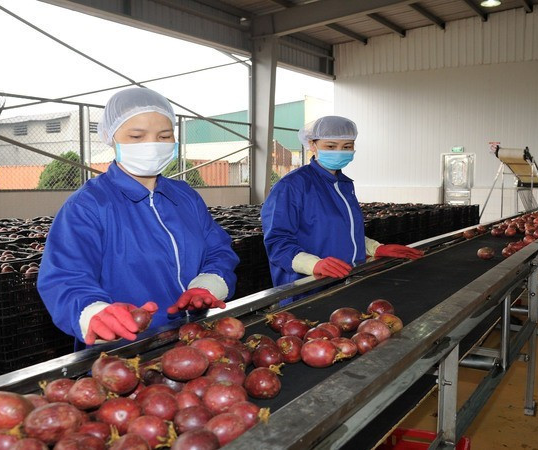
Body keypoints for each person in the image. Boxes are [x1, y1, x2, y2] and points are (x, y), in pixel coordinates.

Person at [38, 88, 239, 347]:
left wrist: (208, 284)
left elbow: (218, 250)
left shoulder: (185, 197)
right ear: (111, 138)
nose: (152, 145)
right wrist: (93, 312)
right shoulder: (89, 206)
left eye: (164, 136)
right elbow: (65, 276)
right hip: (125, 352)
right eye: (136, 136)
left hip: (196, 341)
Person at [261, 116, 423, 298]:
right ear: (312, 145)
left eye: (347, 146)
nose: (340, 151)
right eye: (331, 146)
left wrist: (373, 248)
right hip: (307, 290)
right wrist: (313, 264)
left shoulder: (344, 185)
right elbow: (277, 243)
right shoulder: (291, 186)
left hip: (346, 281)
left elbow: (343, 232)